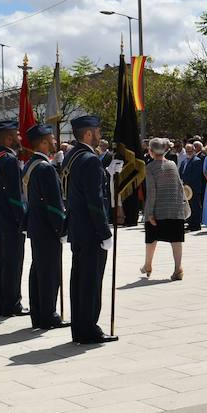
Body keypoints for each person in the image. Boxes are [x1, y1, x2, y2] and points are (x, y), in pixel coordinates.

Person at [63, 115, 117, 344]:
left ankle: (80, 326)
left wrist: (106, 171)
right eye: (96, 131)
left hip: (78, 228)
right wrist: (104, 232)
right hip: (91, 232)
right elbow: (94, 199)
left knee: (80, 280)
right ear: (87, 134)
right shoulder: (90, 159)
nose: (99, 134)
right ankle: (89, 329)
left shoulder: (72, 156)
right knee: (91, 281)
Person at [23, 123, 68, 331]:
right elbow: (54, 203)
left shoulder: (31, 164)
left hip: (36, 225)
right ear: (42, 142)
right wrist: (61, 228)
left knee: (38, 271)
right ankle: (48, 315)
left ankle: (38, 313)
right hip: (48, 228)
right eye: (51, 138)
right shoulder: (45, 167)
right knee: (49, 272)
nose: (55, 142)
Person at [0, 120, 28, 318]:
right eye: (17, 135)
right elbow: (15, 196)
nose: (20, 138)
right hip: (12, 220)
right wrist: (23, 220)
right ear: (8, 138)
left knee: (3, 261)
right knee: (12, 262)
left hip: (0, 217)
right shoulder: (9, 160)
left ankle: (3, 301)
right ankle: (12, 303)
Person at [142, 137, 190, 280]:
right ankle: (178, 268)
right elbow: (179, 186)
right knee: (176, 240)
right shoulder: (172, 165)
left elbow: (152, 192)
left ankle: (148, 265)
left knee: (151, 239)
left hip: (158, 210)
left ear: (151, 151)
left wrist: (149, 213)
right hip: (175, 209)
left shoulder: (150, 167)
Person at [180, 143, 206, 231]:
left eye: (190, 151)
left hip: (193, 188)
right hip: (186, 188)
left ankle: (196, 225)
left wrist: (185, 181)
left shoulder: (197, 160)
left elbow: (196, 175)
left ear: (194, 151)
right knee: (188, 206)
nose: (188, 152)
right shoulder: (184, 161)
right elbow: (181, 172)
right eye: (187, 151)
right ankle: (190, 223)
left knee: (195, 206)